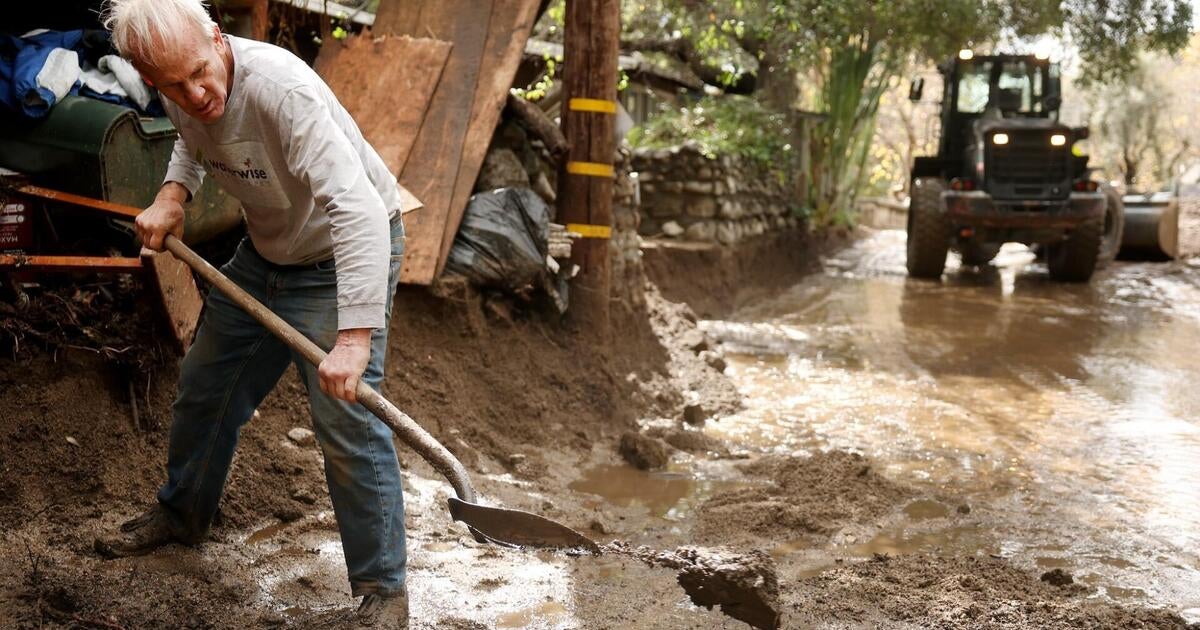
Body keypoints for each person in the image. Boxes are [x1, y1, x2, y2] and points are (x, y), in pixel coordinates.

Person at [93, 0, 420, 625]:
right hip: (268, 253)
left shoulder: (280, 90)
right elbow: (191, 142)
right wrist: (171, 195)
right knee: (205, 385)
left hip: (340, 253)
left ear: (218, 40)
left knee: (346, 421)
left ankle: (384, 590)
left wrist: (353, 338)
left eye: (199, 73)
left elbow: (356, 213)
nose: (195, 93)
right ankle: (182, 512)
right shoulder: (178, 87)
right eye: (172, 87)